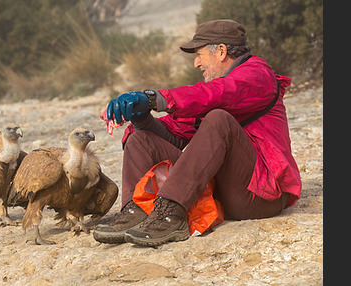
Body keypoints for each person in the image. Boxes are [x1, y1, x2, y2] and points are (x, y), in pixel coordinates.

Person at [93, 19, 302, 247]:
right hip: (224, 191)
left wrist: (154, 98)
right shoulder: (216, 87)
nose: (195, 63)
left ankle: (170, 214)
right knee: (140, 139)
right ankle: (137, 210)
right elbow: (176, 133)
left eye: (199, 54)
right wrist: (141, 116)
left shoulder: (257, 75)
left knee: (218, 119)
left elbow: (218, 94)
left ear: (221, 51)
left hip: (261, 195)